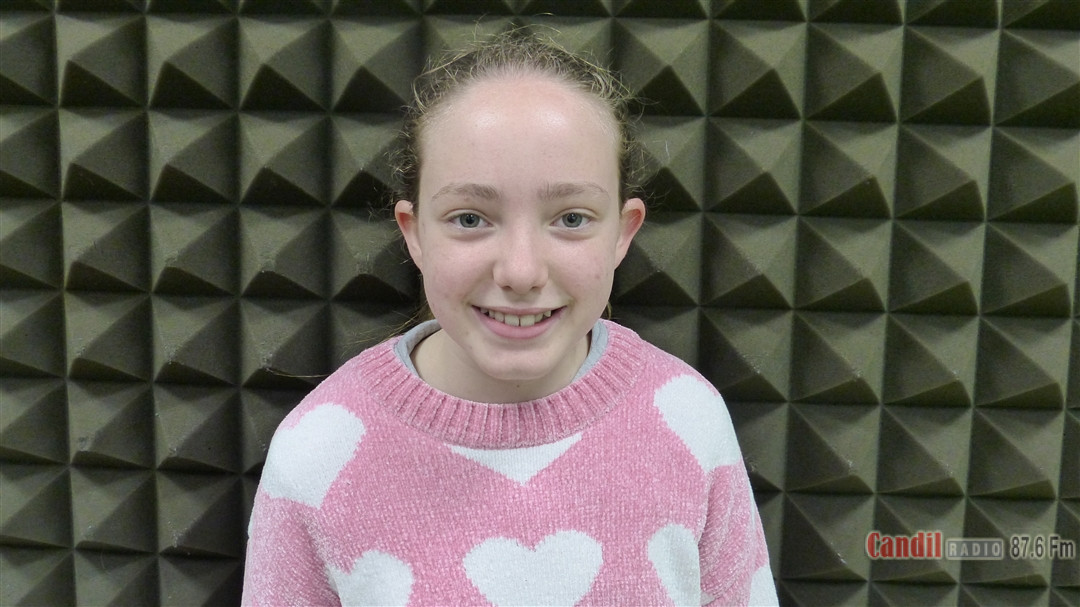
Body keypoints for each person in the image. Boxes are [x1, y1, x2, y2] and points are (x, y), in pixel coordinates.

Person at [241, 29, 777, 606]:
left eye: (571, 219)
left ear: (623, 234)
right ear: (414, 234)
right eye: (470, 219)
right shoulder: (318, 452)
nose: (521, 272)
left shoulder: (688, 419)